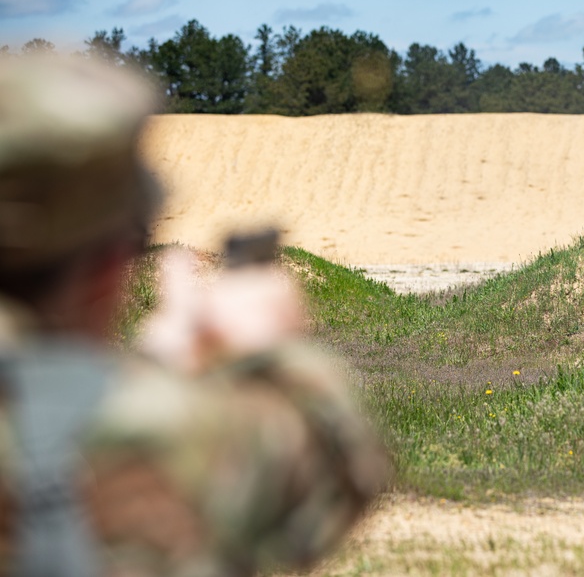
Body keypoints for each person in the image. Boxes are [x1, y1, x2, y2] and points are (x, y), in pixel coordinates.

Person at [0, 55, 389, 576]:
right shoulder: (169, 433)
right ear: (112, 262)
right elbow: (337, 462)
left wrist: (156, 357)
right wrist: (263, 348)